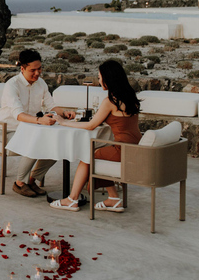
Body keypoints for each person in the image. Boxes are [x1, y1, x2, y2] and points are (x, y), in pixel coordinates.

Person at [50, 59, 141, 212]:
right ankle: (113, 198)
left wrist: (63, 122)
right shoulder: (130, 96)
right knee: (97, 152)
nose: (99, 81)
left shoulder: (110, 101)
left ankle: (72, 199)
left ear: (108, 78)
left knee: (87, 155)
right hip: (135, 146)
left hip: (122, 149)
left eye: (99, 77)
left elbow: (90, 125)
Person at [0, 49, 75, 197]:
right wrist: (40, 121)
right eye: (33, 70)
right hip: (8, 130)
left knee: (58, 145)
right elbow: (18, 115)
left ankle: (32, 180)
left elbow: (51, 106)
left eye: (39, 69)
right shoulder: (11, 85)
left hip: (31, 129)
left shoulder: (41, 83)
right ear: (22, 68)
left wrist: (64, 113)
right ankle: (19, 183)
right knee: (34, 141)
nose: (37, 73)